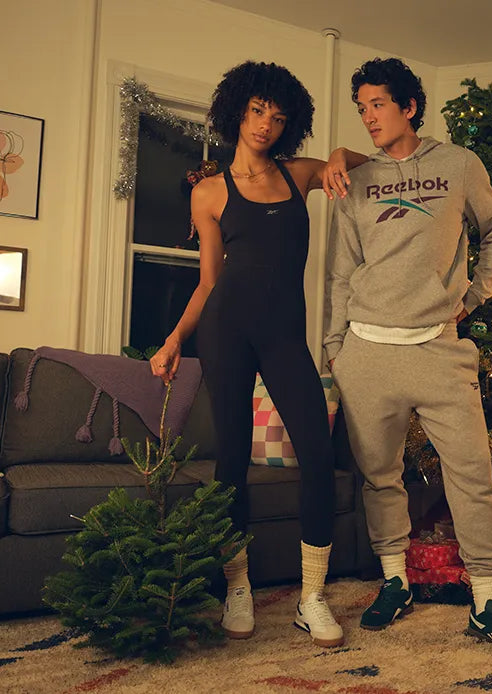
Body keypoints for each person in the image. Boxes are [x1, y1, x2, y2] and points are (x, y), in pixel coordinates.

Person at [323, 57, 492, 661]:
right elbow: (343, 270)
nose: (368, 117)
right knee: (380, 476)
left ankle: (488, 603)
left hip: (439, 349)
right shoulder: (356, 180)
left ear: (409, 106)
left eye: (378, 105)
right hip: (367, 350)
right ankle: (396, 582)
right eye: (361, 106)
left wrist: (474, 296)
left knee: (472, 473)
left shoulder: (458, 165)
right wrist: (337, 349)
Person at [149, 61, 367, 649]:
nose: (265, 125)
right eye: (257, 111)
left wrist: (341, 151)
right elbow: (207, 282)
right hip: (225, 331)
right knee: (231, 464)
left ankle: (312, 597)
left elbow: (359, 165)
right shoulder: (209, 190)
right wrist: (174, 339)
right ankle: (237, 587)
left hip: (282, 335)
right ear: (237, 111)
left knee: (318, 457)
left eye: (278, 116)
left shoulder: (297, 176)